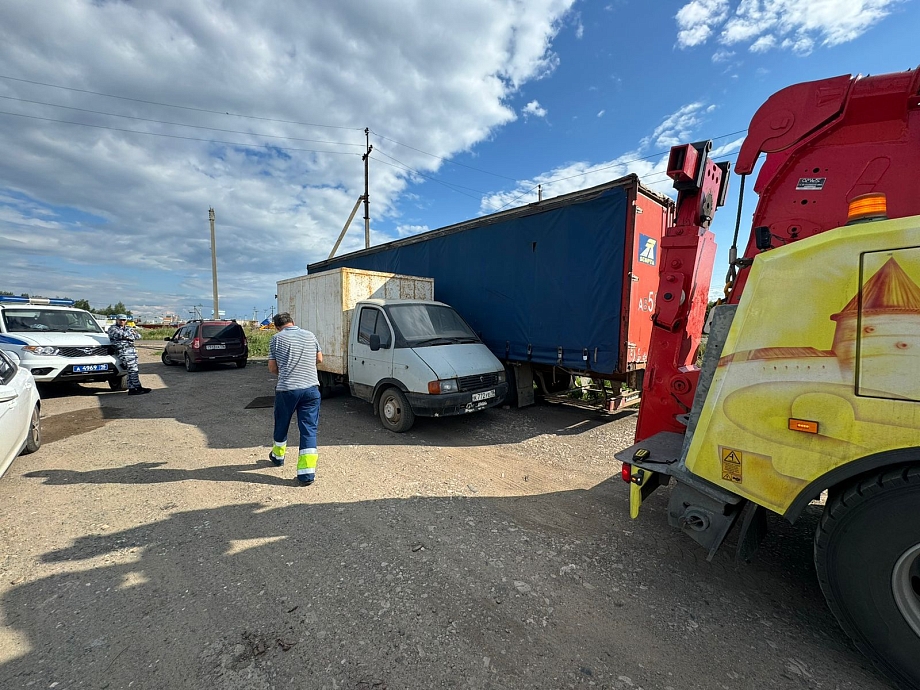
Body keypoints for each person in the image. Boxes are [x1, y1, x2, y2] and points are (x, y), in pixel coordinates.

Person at [267, 312, 323, 485]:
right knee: (308, 430)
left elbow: (272, 368)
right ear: (293, 322)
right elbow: (319, 359)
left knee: (282, 424)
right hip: (311, 390)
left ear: (277, 327)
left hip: (287, 390)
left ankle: (278, 457)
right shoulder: (309, 335)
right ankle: (307, 474)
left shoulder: (276, 339)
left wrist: (286, 373)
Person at [107, 314, 150, 395]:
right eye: (120, 320)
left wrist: (128, 336)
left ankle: (132, 388)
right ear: (117, 320)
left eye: (124, 320)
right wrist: (130, 335)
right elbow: (122, 335)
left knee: (132, 370)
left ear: (126, 320)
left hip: (131, 350)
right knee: (133, 369)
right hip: (123, 350)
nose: (122, 321)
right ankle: (137, 387)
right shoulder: (112, 329)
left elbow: (138, 336)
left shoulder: (128, 328)